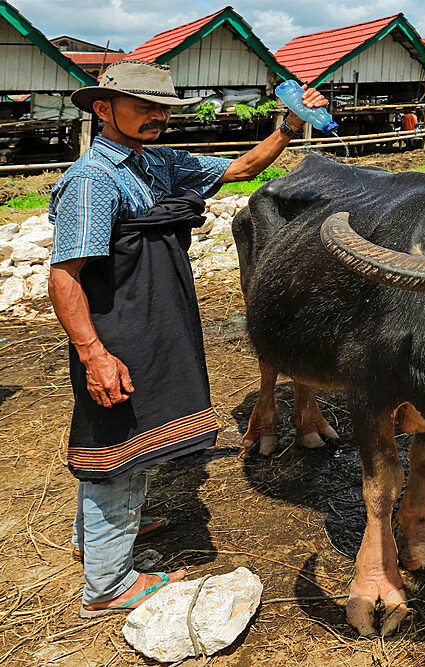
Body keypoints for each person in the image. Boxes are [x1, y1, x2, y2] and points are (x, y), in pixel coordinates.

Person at [48, 60, 327, 617]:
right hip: (119, 327)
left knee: (128, 432)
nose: (156, 117)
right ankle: (107, 584)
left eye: (162, 108)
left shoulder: (158, 163)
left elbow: (245, 168)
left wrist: (289, 125)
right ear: (102, 109)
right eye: (143, 106)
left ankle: (92, 537)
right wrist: (94, 353)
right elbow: (64, 275)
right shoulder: (90, 181)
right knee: (117, 445)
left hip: (154, 316)